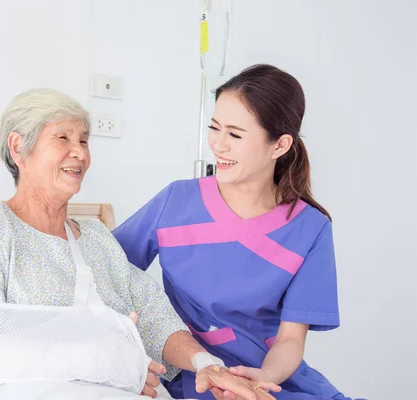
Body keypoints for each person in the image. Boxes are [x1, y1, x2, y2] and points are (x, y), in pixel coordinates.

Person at [0, 88, 280, 400]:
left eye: (84, 141)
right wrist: (105, 362)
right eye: (63, 138)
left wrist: (208, 365)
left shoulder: (97, 239)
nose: (79, 153)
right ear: (18, 148)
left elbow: (152, 315)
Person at [112, 64, 351, 400]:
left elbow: (290, 340)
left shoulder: (310, 228)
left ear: (279, 145)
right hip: (193, 376)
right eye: (214, 128)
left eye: (235, 135)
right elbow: (105, 267)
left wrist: (263, 379)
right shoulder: (176, 202)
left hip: (269, 379)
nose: (219, 145)